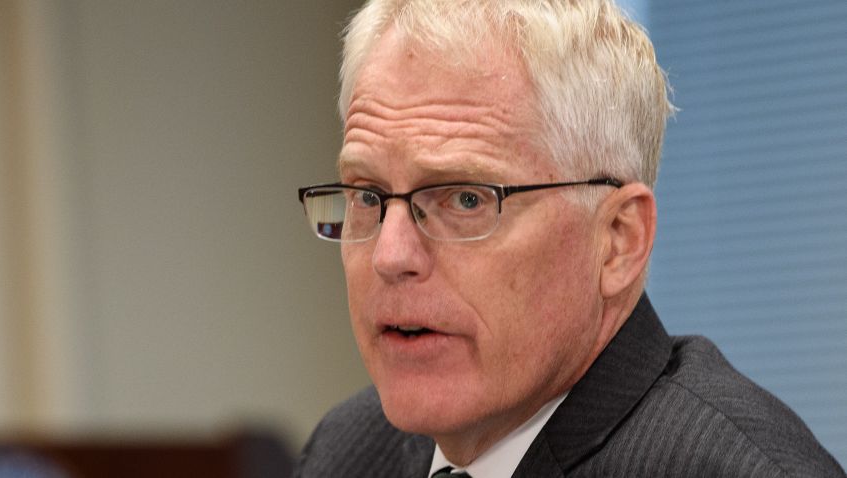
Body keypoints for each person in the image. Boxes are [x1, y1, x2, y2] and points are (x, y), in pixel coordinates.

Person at [293, 0, 846, 476]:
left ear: (618, 241)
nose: (391, 256)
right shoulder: (346, 452)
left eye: (465, 199)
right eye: (367, 196)